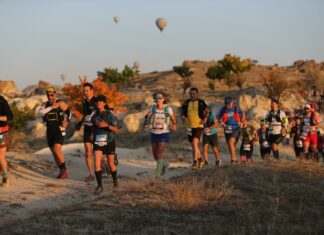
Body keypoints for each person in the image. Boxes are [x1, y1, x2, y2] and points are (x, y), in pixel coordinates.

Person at [38, 87, 71, 179]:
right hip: (49, 131)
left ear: (55, 94)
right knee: (54, 152)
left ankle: (64, 170)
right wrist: (52, 107)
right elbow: (40, 113)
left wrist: (67, 121)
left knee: (57, 150)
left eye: (52, 95)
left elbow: (69, 113)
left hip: (59, 130)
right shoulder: (45, 105)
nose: (50, 97)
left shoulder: (61, 103)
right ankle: (61, 170)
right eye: (48, 95)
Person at [144, 91, 176, 178]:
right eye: (156, 98)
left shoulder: (168, 109)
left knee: (159, 154)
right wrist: (147, 121)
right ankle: (165, 163)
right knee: (155, 156)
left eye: (159, 98)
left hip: (164, 133)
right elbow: (148, 118)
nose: (157, 99)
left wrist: (173, 125)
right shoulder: (153, 109)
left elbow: (173, 119)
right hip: (154, 133)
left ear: (164, 99)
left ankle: (157, 176)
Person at [92, 95, 119, 195]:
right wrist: (92, 134)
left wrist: (106, 125)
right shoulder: (94, 114)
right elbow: (93, 126)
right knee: (96, 162)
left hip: (109, 141)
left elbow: (116, 129)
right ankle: (100, 186)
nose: (98, 103)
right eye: (97, 102)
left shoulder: (110, 114)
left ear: (104, 103)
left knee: (111, 164)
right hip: (98, 141)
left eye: (100, 101)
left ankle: (115, 182)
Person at [181, 87, 207, 169]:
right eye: (191, 94)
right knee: (193, 145)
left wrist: (205, 118)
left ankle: (194, 162)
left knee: (195, 143)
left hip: (199, 125)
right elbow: (183, 113)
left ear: (197, 94)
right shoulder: (186, 102)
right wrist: (184, 117)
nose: (192, 95)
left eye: (194, 94)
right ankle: (201, 160)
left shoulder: (201, 102)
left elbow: (207, 111)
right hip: (189, 126)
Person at [77, 83, 97, 182]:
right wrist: (80, 122)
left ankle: (104, 169)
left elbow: (101, 114)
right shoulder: (84, 102)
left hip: (97, 129)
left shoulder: (97, 101)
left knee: (98, 153)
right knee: (88, 152)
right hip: (87, 129)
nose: (85, 93)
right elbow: (85, 116)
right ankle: (91, 174)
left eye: (87, 91)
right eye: (84, 91)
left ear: (92, 90)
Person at [218, 97, 245, 163]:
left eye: (228, 104)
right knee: (231, 145)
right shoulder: (223, 109)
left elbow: (243, 114)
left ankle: (232, 160)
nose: (227, 105)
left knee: (231, 142)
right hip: (227, 130)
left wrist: (242, 121)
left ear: (231, 103)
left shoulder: (236, 107)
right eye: (226, 104)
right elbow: (219, 118)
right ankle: (235, 159)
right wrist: (222, 123)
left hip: (236, 128)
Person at [0, 95, 13, 188]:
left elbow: (10, 116)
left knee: (0, 156)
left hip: (1, 131)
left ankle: (5, 178)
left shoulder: (1, 101)